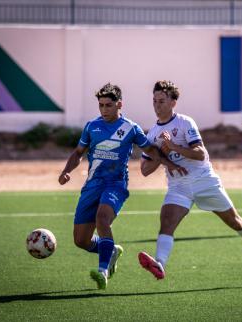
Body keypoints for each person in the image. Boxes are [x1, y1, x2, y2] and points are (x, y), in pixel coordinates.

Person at [138, 80, 242, 280]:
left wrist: (174, 147)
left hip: (204, 180)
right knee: (167, 221)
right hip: (178, 186)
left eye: (161, 101)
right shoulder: (152, 134)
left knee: (234, 221)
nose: (157, 105)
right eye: (154, 101)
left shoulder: (185, 123)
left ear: (173, 103)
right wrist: (161, 154)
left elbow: (200, 154)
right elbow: (144, 170)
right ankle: (159, 264)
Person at [58, 83, 185, 290]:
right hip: (92, 185)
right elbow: (78, 152)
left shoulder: (130, 128)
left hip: (116, 184)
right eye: (101, 105)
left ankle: (103, 271)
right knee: (81, 241)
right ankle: (112, 251)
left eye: (109, 105)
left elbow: (151, 150)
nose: (104, 110)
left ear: (119, 104)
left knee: (102, 218)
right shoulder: (92, 126)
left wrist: (169, 163)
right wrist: (66, 171)